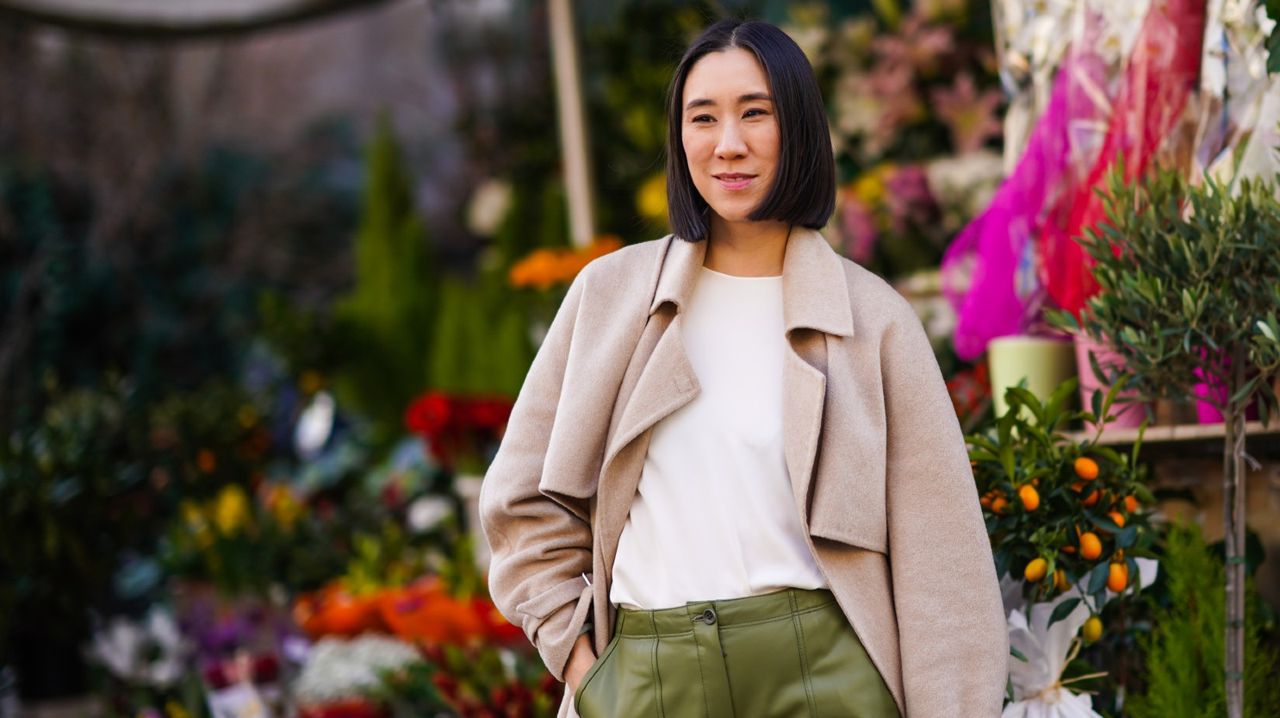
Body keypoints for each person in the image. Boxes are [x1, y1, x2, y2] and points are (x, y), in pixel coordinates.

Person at [479, 18, 1007, 718]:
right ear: (680, 139)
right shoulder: (611, 298)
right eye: (704, 118)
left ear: (800, 130)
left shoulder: (874, 321)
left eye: (755, 113)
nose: (729, 144)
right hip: (646, 676)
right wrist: (585, 666)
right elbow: (520, 504)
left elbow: (944, 567)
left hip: (829, 677)